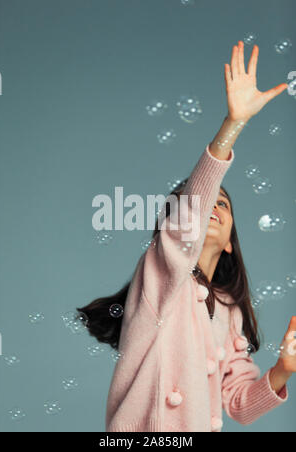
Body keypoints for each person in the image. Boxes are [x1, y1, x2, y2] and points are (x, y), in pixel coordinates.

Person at [78, 41, 295, 432]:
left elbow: (240, 404)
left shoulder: (230, 311)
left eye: (224, 205)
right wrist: (234, 124)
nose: (213, 207)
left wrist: (283, 370)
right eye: (209, 200)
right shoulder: (161, 278)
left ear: (230, 241)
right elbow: (192, 212)